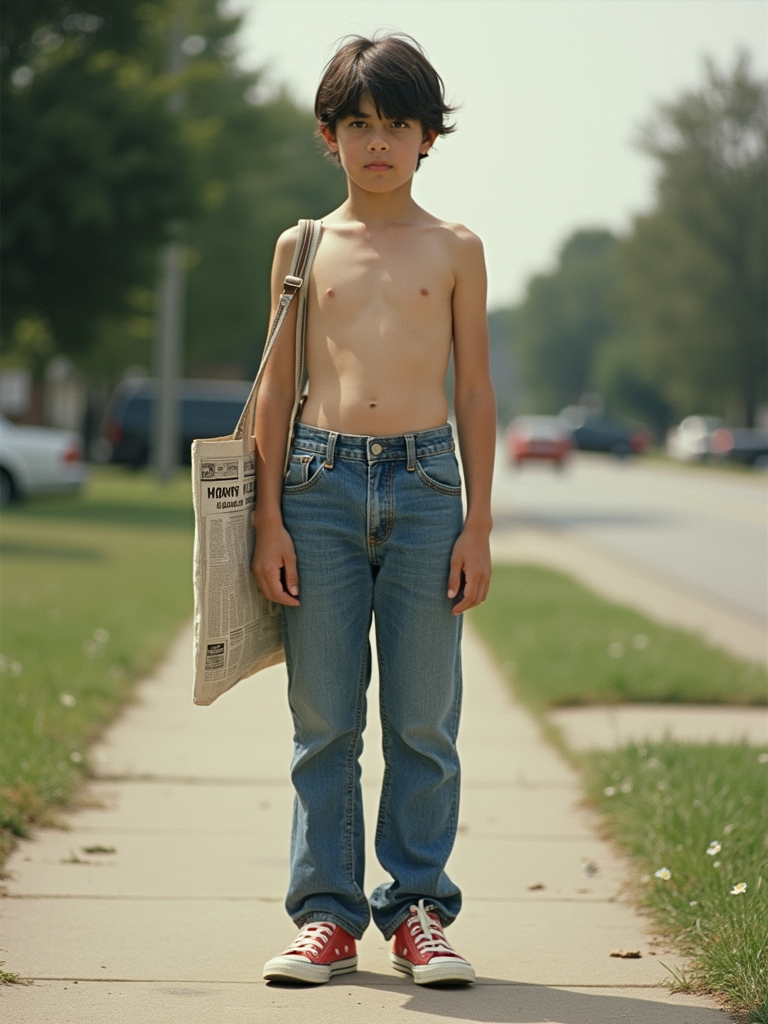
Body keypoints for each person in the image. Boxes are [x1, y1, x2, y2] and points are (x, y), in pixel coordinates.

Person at [252, 33, 495, 987]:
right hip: (315, 489)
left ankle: (421, 909)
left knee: (424, 717)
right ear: (329, 136)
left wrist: (478, 521)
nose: (379, 141)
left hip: (430, 492)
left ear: (429, 135)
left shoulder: (457, 248)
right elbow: (275, 389)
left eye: (397, 123)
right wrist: (269, 516)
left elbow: (474, 391)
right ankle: (326, 917)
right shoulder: (303, 244)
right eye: (359, 124)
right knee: (323, 718)